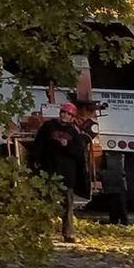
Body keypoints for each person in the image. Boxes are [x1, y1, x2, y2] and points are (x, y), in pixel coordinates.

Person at [29, 102, 91, 241]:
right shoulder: (48, 127)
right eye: (63, 112)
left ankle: (68, 233)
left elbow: (78, 153)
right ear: (60, 113)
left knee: (68, 204)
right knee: (45, 202)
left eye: (69, 114)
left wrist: (67, 146)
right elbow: (39, 145)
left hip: (66, 174)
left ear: (72, 117)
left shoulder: (74, 132)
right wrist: (36, 161)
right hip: (49, 169)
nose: (65, 115)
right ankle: (41, 231)